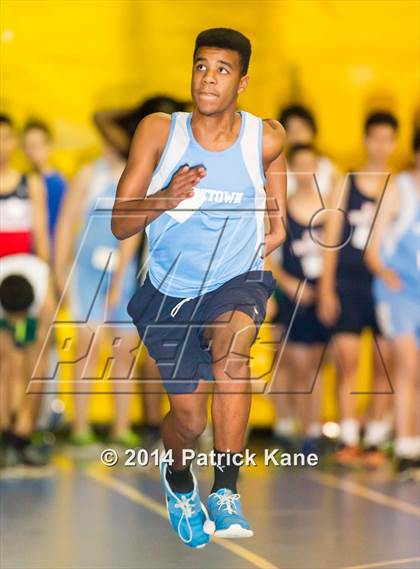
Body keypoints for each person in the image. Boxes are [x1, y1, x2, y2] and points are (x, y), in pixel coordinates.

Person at [112, 28, 286, 547]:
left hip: (236, 278)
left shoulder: (266, 135)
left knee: (233, 353)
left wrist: (273, 220)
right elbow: (121, 223)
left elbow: (272, 165)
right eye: (201, 66)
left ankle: (226, 490)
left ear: (243, 81)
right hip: (168, 290)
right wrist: (165, 197)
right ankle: (179, 477)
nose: (209, 78)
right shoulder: (160, 131)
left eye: (223, 69)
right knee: (187, 421)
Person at [318, 111, 397, 466]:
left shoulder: (400, 187)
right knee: (347, 363)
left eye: (388, 139)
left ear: (394, 143)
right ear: (366, 140)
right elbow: (331, 238)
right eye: (375, 138)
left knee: (386, 366)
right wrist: (326, 289)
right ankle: (348, 438)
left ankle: (376, 441)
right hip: (348, 284)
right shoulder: (345, 182)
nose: (381, 146)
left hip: (386, 286)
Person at [55, 122, 141, 448]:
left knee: (124, 351)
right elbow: (66, 221)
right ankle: (80, 428)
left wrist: (119, 282)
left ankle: (121, 428)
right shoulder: (88, 175)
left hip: (123, 269)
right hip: (88, 271)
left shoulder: (139, 178)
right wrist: (61, 270)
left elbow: (133, 232)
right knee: (86, 348)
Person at [267, 144, 331, 455]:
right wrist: (289, 285)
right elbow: (267, 255)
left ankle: (311, 430)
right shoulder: (282, 209)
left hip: (320, 295)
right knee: (289, 362)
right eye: (299, 166)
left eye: (311, 165)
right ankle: (288, 422)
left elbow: (337, 255)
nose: (306, 173)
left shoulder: (330, 208)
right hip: (292, 295)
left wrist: (328, 291)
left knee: (314, 366)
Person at [366, 129, 420, 476]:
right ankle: (403, 447)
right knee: (407, 366)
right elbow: (372, 247)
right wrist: (387, 276)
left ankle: (413, 441)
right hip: (396, 292)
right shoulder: (398, 189)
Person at [0, 254, 54, 467]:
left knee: (36, 368)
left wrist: (23, 427)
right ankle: (5, 437)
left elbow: (39, 364)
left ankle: (22, 436)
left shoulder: (44, 297)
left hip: (35, 305)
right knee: (6, 365)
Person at [0, 114, 49, 261]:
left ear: (14, 141)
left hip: (19, 274)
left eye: (5, 139)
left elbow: (40, 236)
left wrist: (46, 275)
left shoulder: (32, 183)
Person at [22, 119, 67, 248]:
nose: (31, 152)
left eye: (36, 146)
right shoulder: (21, 182)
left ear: (49, 146)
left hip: (51, 249)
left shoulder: (59, 184)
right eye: (27, 146)